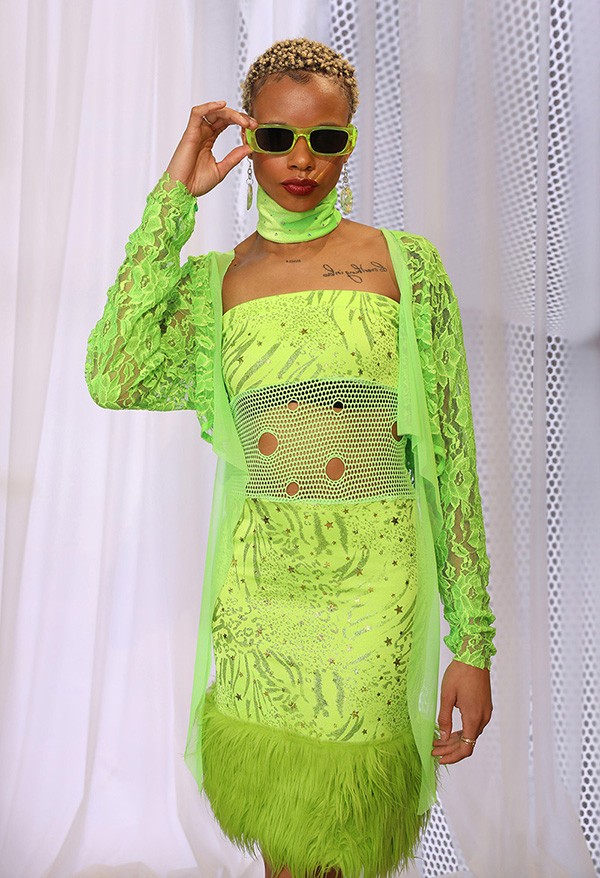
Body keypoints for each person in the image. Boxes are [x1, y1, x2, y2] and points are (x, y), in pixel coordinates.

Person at [85, 37, 495, 878]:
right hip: (260, 592)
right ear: (248, 141)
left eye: (325, 139)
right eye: (276, 138)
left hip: (375, 589)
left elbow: (453, 457)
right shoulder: (216, 285)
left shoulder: (405, 267)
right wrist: (175, 197)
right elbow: (113, 374)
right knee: (283, 840)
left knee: (347, 833)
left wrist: (474, 641)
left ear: (350, 142)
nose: (301, 161)